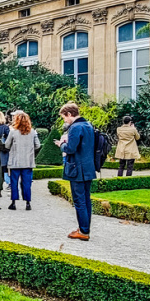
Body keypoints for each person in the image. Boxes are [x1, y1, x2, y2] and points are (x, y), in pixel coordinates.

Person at [55, 103, 96, 241]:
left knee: (79, 201)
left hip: (77, 168)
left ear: (69, 114)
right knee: (86, 199)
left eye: (64, 118)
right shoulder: (88, 125)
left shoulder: (75, 127)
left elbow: (71, 149)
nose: (64, 121)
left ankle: (84, 231)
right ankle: (85, 228)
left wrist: (61, 144)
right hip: (88, 166)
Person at [5, 111, 41, 210]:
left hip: (15, 162)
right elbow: (38, 145)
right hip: (28, 162)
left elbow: (7, 145)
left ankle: (13, 203)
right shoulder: (32, 132)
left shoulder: (13, 132)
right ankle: (28, 203)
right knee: (26, 183)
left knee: (14, 183)